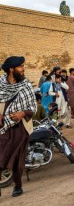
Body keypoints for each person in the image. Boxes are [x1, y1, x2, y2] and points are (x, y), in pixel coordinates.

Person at [0, 56, 37, 197]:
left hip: (21, 127)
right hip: (4, 125)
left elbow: (33, 106)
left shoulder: (26, 85)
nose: (23, 69)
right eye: (20, 66)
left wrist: (22, 113)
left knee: (17, 158)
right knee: (2, 154)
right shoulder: (1, 83)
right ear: (11, 69)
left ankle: (18, 185)